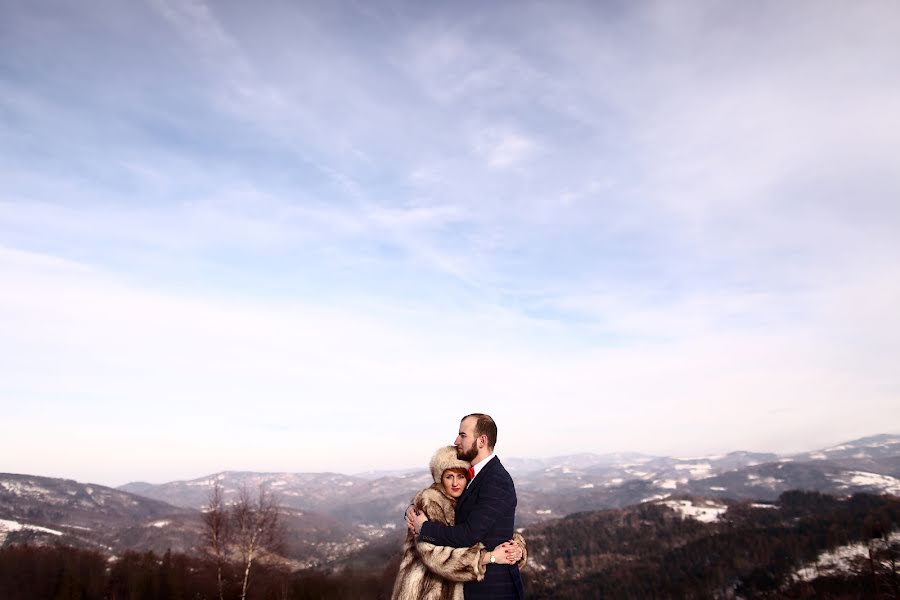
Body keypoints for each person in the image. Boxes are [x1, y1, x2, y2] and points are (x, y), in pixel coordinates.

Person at [407, 414, 525, 599]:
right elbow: (450, 505)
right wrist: (413, 508)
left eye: (463, 435)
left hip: (493, 589)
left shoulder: (495, 480)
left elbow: (469, 534)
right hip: (473, 587)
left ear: (481, 440)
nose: (456, 440)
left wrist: (424, 528)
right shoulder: (477, 476)